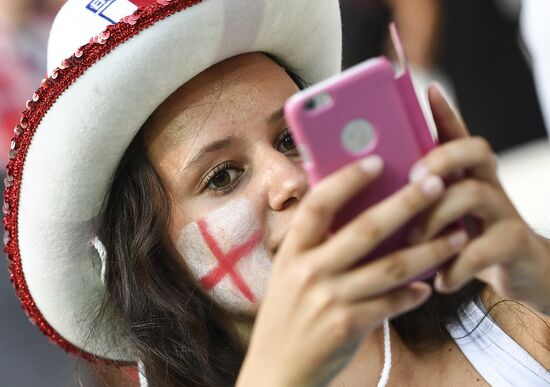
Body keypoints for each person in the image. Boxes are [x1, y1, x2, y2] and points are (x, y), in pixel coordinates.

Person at [4, 0, 550, 386]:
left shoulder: (513, 318)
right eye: (222, 176)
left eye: (292, 137)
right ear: (153, 258)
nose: (292, 179)